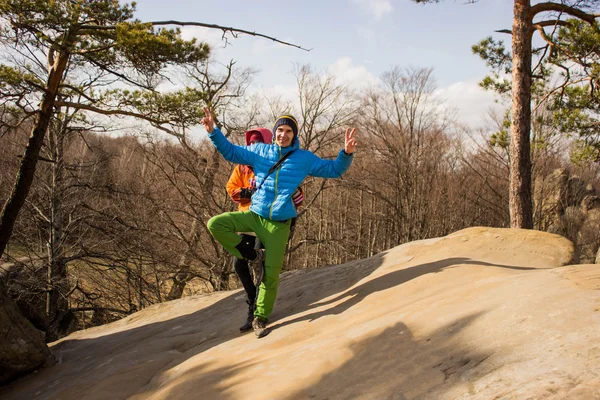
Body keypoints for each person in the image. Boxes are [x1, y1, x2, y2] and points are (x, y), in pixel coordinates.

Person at [203, 107, 357, 338]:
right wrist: (213, 132)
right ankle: (253, 256)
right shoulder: (259, 151)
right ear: (274, 132)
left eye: (288, 131)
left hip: (279, 224)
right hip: (254, 216)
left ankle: (260, 317)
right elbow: (231, 152)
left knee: (271, 275)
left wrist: (346, 153)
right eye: (280, 130)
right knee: (216, 224)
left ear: (294, 135)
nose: (283, 134)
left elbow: (333, 170)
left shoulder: (303, 159)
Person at [225, 128, 304, 332]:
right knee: (239, 265)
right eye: (250, 143)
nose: (252, 146)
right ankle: (252, 301)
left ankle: (259, 312)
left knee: (263, 269)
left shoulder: (272, 162)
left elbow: (296, 195)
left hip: (269, 222)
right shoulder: (241, 168)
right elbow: (231, 190)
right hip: (247, 220)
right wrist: (248, 192)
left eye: (257, 142)